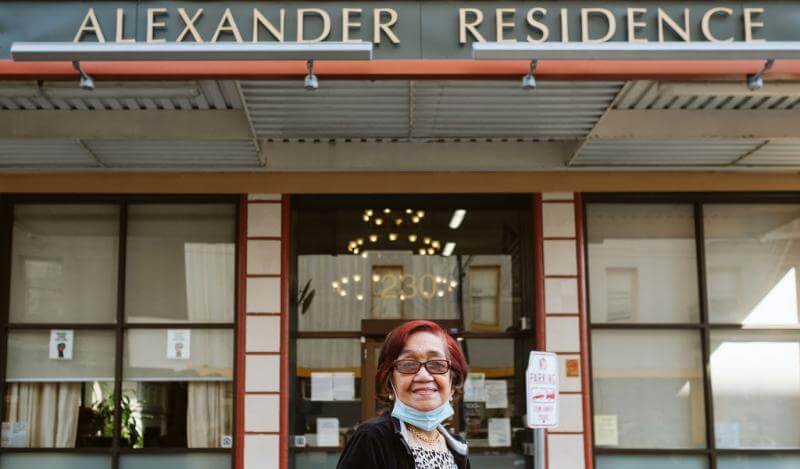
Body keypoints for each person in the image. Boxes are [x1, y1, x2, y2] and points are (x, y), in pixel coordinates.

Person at [337, 320, 470, 469]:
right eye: (408, 365)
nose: (424, 376)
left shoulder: (457, 447)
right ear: (390, 382)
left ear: (452, 382)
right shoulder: (373, 438)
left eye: (437, 364)